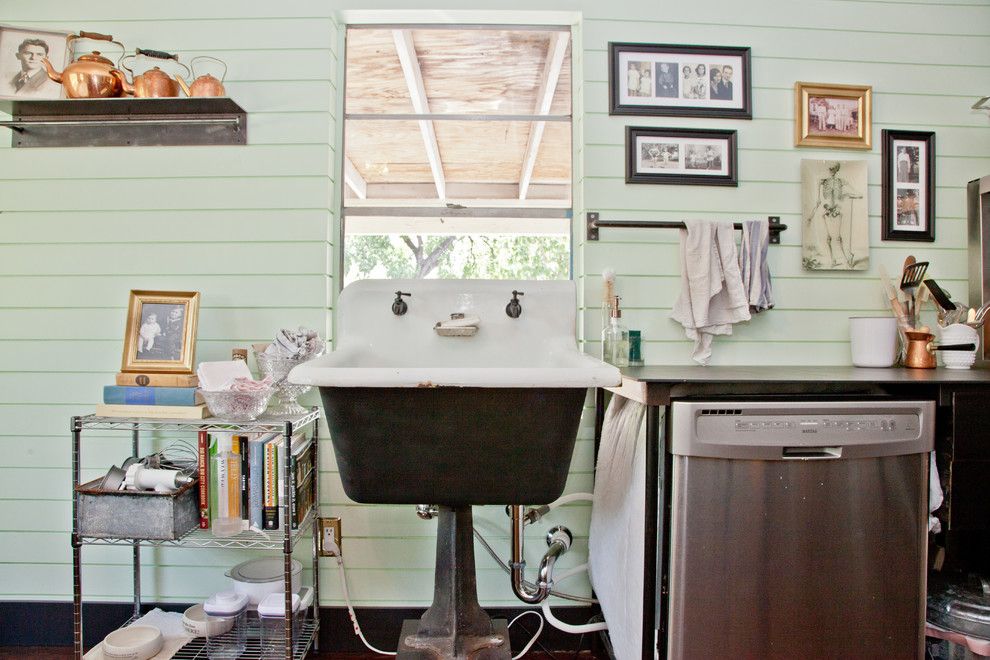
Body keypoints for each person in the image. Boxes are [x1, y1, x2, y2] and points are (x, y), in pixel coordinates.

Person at [806, 162, 863, 268]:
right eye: (830, 169)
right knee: (828, 237)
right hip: (826, 210)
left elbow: (856, 192)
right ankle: (833, 260)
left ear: (836, 170)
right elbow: (818, 200)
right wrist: (813, 212)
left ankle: (847, 259)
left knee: (838, 237)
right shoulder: (822, 181)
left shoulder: (841, 181)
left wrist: (852, 195)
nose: (831, 171)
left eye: (833, 169)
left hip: (837, 210)